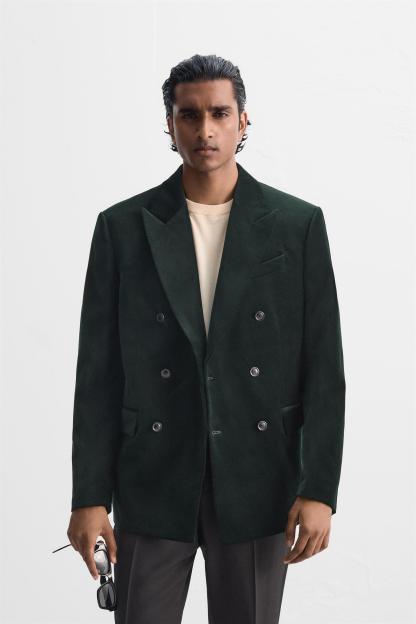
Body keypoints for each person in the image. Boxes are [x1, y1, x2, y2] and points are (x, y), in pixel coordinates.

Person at [67, 54, 346, 623]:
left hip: (257, 474)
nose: (205, 130)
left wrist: (319, 488)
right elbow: (98, 374)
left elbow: (324, 367)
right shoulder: (123, 227)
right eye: (189, 115)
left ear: (244, 121)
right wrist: (90, 496)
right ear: (170, 125)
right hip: (153, 475)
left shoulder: (297, 225)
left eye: (219, 113)